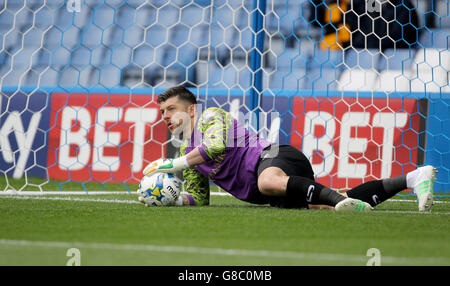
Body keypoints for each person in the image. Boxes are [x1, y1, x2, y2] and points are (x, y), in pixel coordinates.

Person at [140, 85, 437, 212]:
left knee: (267, 180)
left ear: (190, 110)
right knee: (333, 203)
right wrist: (171, 199)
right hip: (274, 189)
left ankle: (337, 201)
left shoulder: (209, 117)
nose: (165, 117)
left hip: (274, 157)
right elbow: (199, 198)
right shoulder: (186, 155)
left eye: (171, 109)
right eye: (163, 112)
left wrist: (171, 166)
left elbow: (215, 146)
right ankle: (413, 179)